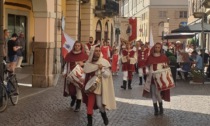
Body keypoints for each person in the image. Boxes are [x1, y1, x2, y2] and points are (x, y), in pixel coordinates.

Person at [83, 45, 116, 126]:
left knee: (99, 104)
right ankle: (89, 123)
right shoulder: (89, 63)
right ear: (93, 52)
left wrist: (102, 69)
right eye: (96, 51)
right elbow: (86, 71)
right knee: (89, 105)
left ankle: (104, 117)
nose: (97, 52)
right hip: (91, 86)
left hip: (100, 87)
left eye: (99, 51)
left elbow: (107, 75)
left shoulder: (104, 62)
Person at [143, 42, 174, 116]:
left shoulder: (163, 57)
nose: (157, 48)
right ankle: (156, 109)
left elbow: (166, 67)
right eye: (156, 47)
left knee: (157, 93)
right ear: (154, 48)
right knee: (153, 93)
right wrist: (147, 71)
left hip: (160, 78)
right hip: (152, 77)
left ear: (160, 48)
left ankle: (161, 107)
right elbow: (147, 66)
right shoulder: (150, 57)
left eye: (158, 47)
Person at [62, 41, 88, 112]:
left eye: (78, 46)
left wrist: (83, 64)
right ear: (74, 46)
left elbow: (88, 65)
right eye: (76, 45)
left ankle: (78, 105)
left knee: (78, 89)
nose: (77, 47)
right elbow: (67, 65)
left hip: (79, 76)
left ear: (81, 47)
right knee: (71, 91)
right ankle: (73, 98)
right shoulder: (70, 55)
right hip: (70, 76)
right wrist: (64, 72)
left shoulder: (84, 55)